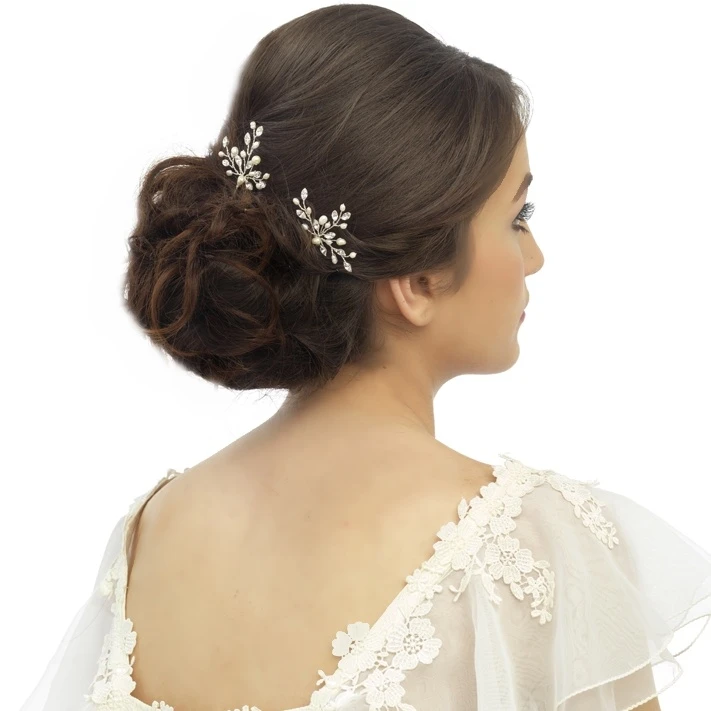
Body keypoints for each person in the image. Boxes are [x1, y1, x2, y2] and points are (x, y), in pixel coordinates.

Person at [19, 4, 710, 711]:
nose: (535, 257)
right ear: (418, 283)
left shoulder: (153, 532)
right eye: (517, 218)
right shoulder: (533, 547)